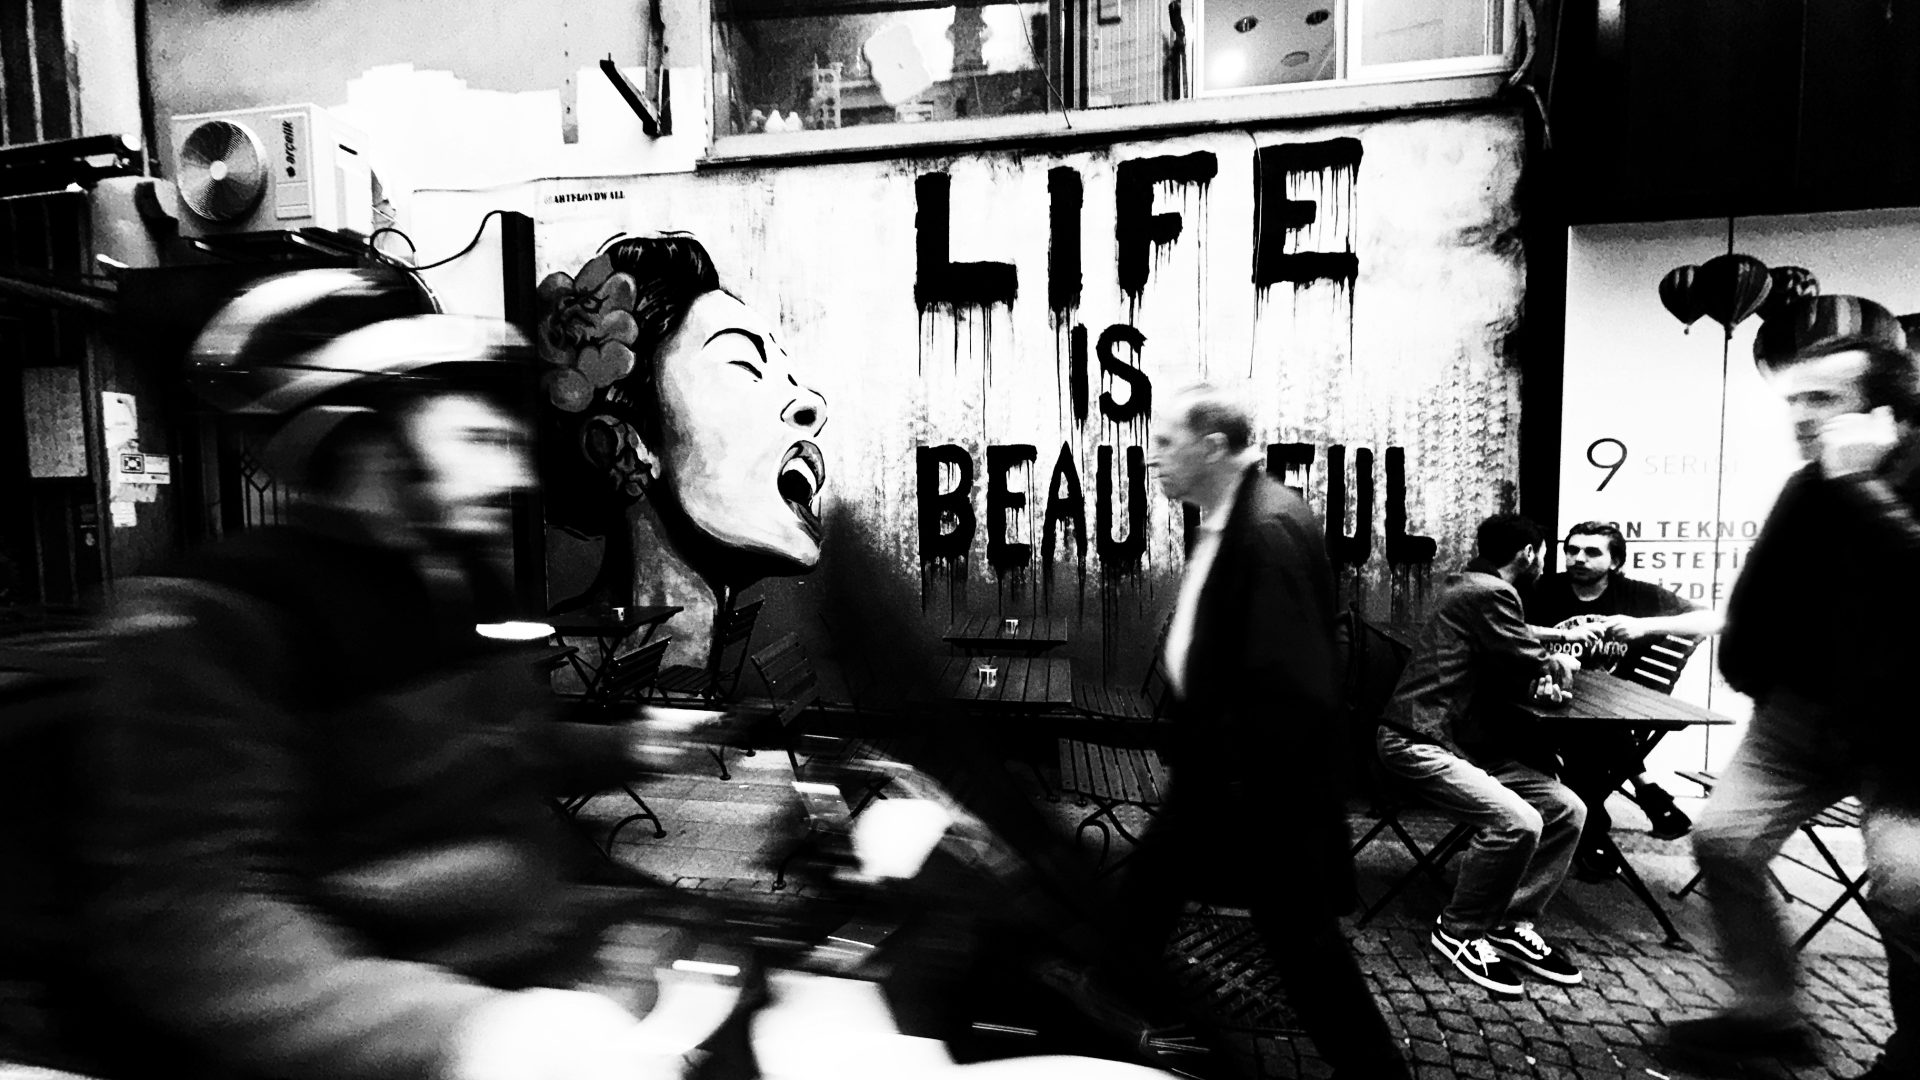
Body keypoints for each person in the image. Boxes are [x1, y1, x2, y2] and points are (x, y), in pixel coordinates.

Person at [69, 267, 723, 1080]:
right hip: (415, 1029)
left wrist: (629, 747)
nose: (516, 476)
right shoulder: (214, 617)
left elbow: (494, 751)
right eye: (480, 443)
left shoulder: (457, 580)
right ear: (371, 439)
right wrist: (471, 1037)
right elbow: (198, 922)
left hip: (538, 962)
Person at [1112, 381, 1409, 1080]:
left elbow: (1292, 685)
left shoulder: (1264, 529)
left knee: (1302, 946)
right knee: (1141, 915)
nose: (1151, 458)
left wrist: (1243, 787)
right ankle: (1096, 1028)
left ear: (1213, 447)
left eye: (1164, 443)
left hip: (1255, 788)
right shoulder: (1237, 515)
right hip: (1226, 777)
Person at [1664, 295, 1920, 1080]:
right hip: (1801, 717)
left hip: (1904, 735)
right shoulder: (1808, 488)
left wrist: (1864, 493)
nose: (1802, 416)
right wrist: (1754, 671)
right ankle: (1770, 1014)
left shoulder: (1898, 483)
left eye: (1822, 399)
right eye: (1795, 400)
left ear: (1884, 414)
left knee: (1907, 890)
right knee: (1725, 840)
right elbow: (1760, 591)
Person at [537, 234, 830, 667]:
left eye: (788, 374)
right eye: (746, 365)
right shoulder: (560, 670)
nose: (811, 405)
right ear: (626, 444)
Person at [1375, 513, 1586, 997]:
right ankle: (1461, 929)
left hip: (1459, 742)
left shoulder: (1469, 585)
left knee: (1566, 809)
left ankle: (1511, 919)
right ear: (1529, 554)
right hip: (1419, 742)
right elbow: (1523, 658)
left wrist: (1549, 642)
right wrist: (1560, 660)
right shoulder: (1492, 593)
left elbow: (1509, 640)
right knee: (1518, 822)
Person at [1526, 521, 1724, 878]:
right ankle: (1633, 802)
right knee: (1587, 728)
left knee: (1595, 727)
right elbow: (1503, 625)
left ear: (1615, 561)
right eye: (1572, 550)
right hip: (1551, 702)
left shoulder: (1634, 596)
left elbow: (1715, 619)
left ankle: (1590, 831)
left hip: (1613, 710)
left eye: (1591, 552)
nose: (1578, 559)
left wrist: (1645, 626)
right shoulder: (1544, 590)